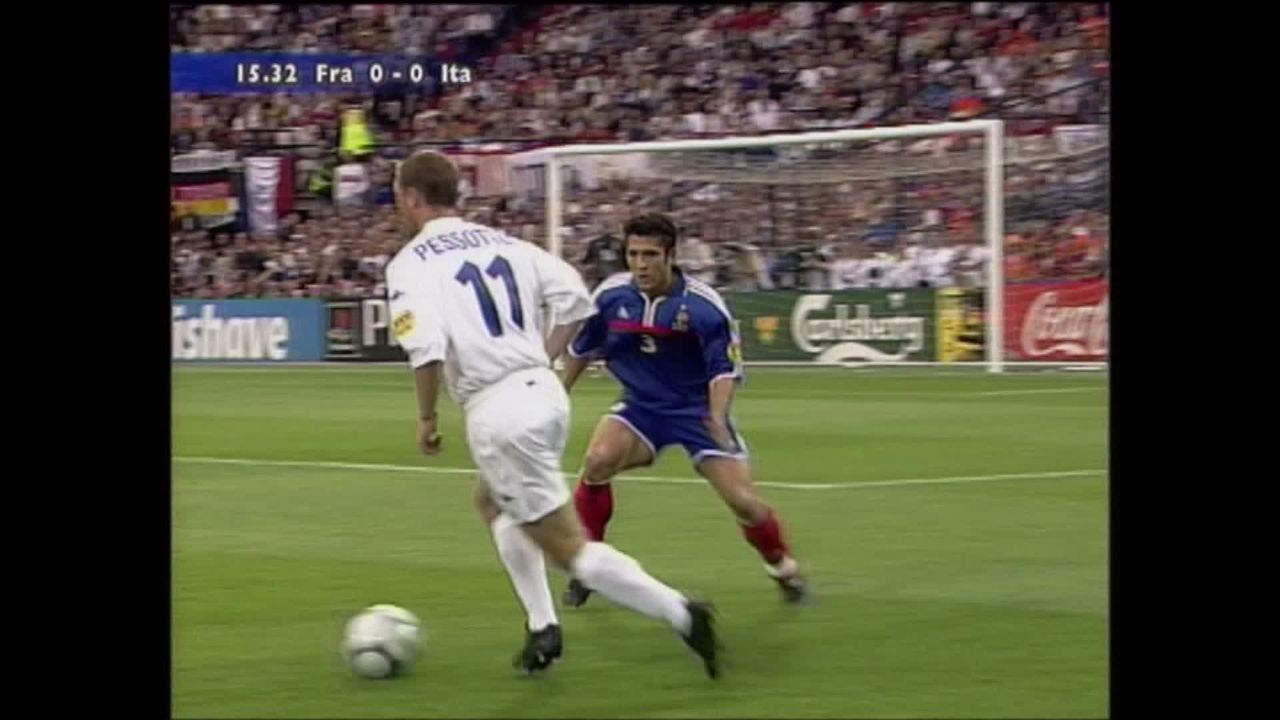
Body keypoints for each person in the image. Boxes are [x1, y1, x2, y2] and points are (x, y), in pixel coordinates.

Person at [384, 152, 720, 678]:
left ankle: (680, 612)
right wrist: (542, 357)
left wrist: (426, 418)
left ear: (411, 198)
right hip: (542, 392)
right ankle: (543, 627)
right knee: (491, 501)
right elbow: (577, 300)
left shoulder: (411, 262)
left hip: (499, 409)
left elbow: (425, 349)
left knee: (568, 548)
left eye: (397, 199)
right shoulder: (504, 242)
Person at [561, 213, 809, 609]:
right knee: (597, 461)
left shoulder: (703, 307)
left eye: (650, 255)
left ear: (671, 256)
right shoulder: (611, 296)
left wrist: (717, 416)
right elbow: (582, 347)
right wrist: (557, 394)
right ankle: (588, 566)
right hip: (641, 407)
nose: (640, 264)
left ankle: (782, 567)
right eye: (633, 254)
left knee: (743, 502)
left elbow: (723, 370)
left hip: (697, 411)